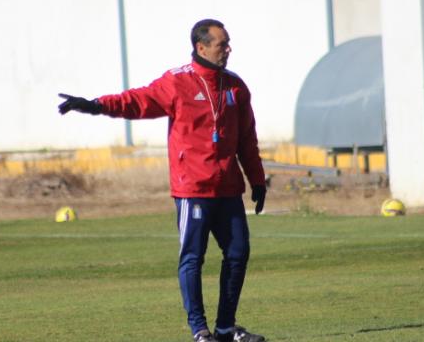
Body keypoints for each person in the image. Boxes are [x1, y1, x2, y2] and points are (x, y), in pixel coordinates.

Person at [58, 19, 267, 342]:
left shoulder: (236, 87)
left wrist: (257, 180)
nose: (228, 49)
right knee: (193, 258)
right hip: (193, 190)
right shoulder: (177, 82)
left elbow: (247, 140)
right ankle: (200, 330)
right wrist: (95, 105)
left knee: (238, 253)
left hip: (228, 189)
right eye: (221, 44)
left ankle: (226, 328)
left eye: (228, 43)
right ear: (201, 47)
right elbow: (135, 101)